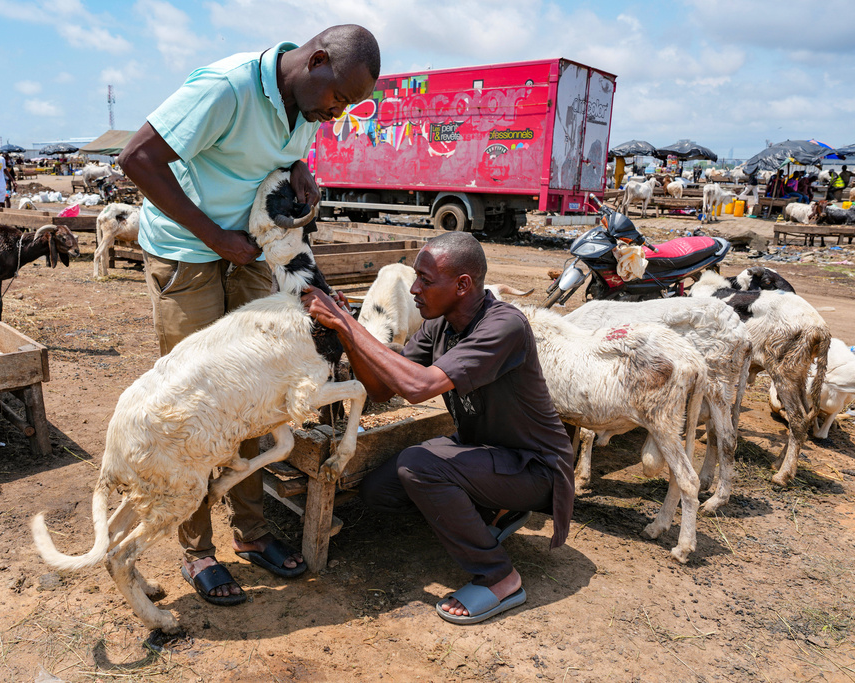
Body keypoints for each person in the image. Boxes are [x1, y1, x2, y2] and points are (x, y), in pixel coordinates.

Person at [117, 25, 380, 606]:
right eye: (339, 101)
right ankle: (197, 551)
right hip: (189, 253)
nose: (336, 116)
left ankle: (252, 534)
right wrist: (215, 235)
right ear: (315, 62)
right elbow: (136, 158)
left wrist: (300, 172)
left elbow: (283, 156)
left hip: (247, 250)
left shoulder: (308, 104)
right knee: (197, 402)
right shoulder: (227, 87)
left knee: (257, 396)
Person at [302, 232, 576, 624]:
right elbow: (381, 390)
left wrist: (346, 320)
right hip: (483, 453)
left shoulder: (505, 326)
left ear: (463, 285)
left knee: (418, 465)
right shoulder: (440, 326)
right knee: (379, 491)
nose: (414, 289)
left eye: (426, 281)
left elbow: (418, 387)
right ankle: (484, 512)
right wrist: (348, 337)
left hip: (535, 468)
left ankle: (500, 575)